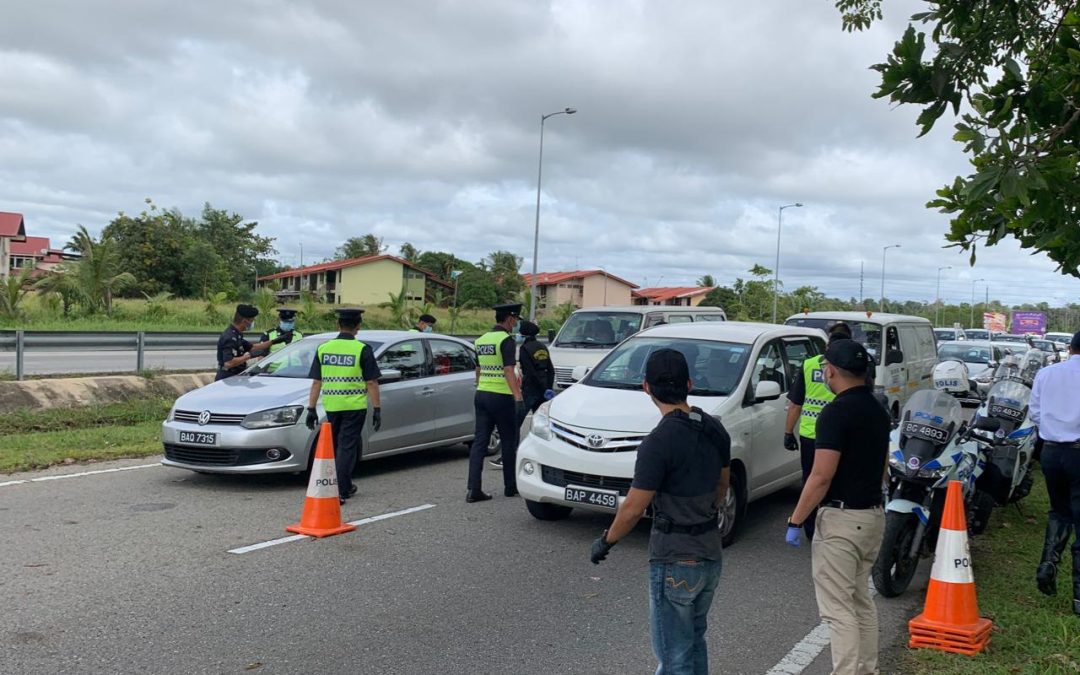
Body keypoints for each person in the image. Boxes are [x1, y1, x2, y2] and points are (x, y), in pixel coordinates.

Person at [589, 348, 731, 675]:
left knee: (674, 656)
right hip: (709, 551)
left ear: (646, 387)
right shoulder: (714, 428)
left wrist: (606, 541)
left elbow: (634, 507)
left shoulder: (658, 441)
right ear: (690, 383)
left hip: (675, 558)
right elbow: (722, 487)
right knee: (694, 640)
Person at [785, 339, 890, 675]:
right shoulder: (878, 409)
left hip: (842, 520)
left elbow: (820, 476)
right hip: (872, 515)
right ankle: (867, 669)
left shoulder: (835, 413)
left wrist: (796, 519)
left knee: (837, 609)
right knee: (860, 600)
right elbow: (884, 467)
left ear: (829, 370)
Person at [783, 322, 856, 540]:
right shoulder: (852, 368)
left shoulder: (809, 365)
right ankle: (833, 528)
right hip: (843, 437)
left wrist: (788, 432)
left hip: (810, 435)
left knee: (811, 480)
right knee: (838, 481)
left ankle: (811, 529)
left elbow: (795, 403)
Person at [304, 308, 382, 505]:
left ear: (338, 325)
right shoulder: (362, 349)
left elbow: (316, 382)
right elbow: (371, 382)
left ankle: (345, 485)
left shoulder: (324, 348)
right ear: (358, 327)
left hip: (331, 405)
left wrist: (311, 408)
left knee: (337, 446)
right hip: (354, 406)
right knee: (347, 447)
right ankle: (339, 490)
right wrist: (377, 408)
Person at [1029, 330, 1080, 616]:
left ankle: (1048, 563)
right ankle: (1079, 596)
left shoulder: (1046, 374)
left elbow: (1035, 412)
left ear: (1070, 347)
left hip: (1050, 451)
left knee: (1060, 512)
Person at [466, 302, 525, 502]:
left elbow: (478, 368)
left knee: (479, 442)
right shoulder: (506, 340)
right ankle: (510, 486)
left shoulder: (481, 340)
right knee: (509, 441)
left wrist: (479, 385)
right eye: (515, 319)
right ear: (509, 318)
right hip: (501, 396)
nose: (516, 323)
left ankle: (473, 489)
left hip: (481, 394)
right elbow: (509, 370)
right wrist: (517, 396)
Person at [490, 320, 554, 470]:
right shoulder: (542, 346)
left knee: (514, 423)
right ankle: (545, 457)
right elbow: (550, 369)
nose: (517, 334)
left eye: (519, 332)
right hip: (543, 391)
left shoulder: (525, 348)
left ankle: (508, 457)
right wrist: (547, 388)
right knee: (542, 424)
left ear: (523, 334)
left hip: (530, 390)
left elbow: (530, 372)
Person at [215, 304, 281, 381]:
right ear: (245, 321)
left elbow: (253, 347)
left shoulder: (237, 334)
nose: (253, 323)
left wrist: (275, 341)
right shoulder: (229, 337)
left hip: (236, 375)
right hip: (227, 377)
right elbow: (229, 363)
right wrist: (249, 356)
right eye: (252, 320)